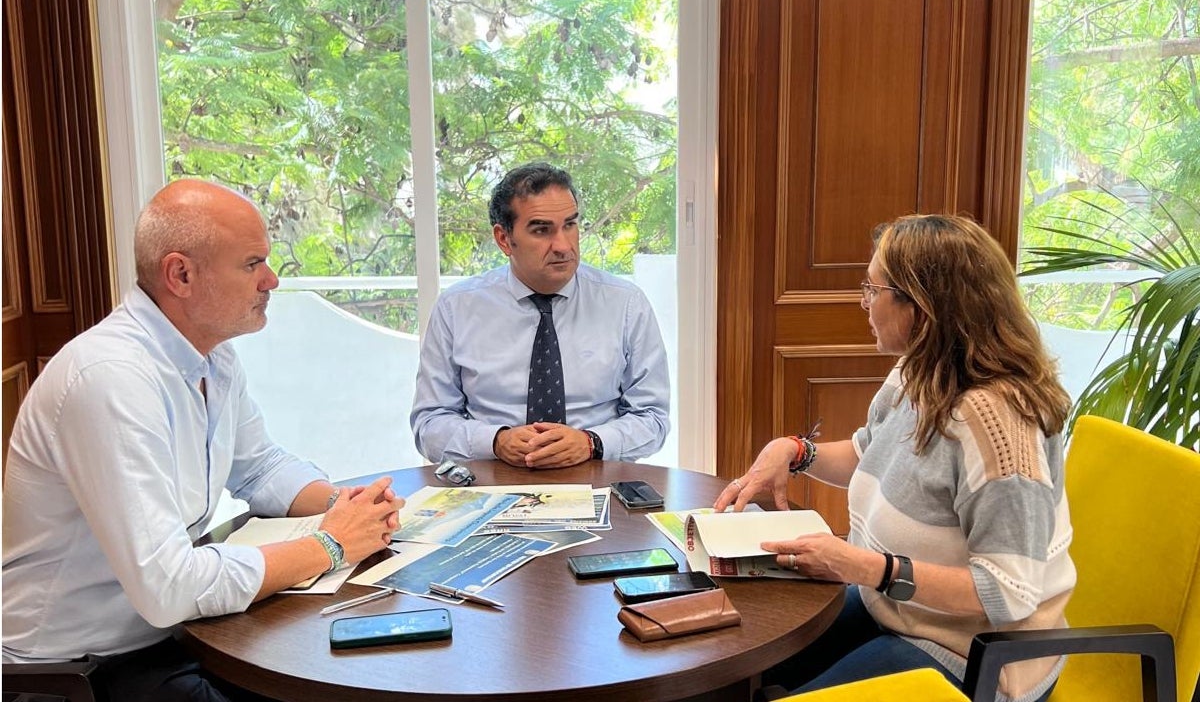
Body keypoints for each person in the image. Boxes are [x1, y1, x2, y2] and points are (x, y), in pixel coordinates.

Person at [2, 180, 403, 702]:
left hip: (175, 635)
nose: (272, 280)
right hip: (79, 670)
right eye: (252, 264)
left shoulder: (212, 355)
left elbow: (258, 467)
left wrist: (350, 507)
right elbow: (169, 586)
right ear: (181, 274)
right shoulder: (110, 379)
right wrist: (329, 545)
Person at [714, 214, 1075, 702]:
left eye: (872, 288)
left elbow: (1009, 592)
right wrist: (795, 451)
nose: (863, 302)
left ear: (921, 306)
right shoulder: (918, 372)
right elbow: (869, 453)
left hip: (977, 658)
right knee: (736, 660)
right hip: (896, 610)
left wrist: (866, 567)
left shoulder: (999, 424)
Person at [411, 162, 670, 469]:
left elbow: (653, 419)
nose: (563, 245)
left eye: (570, 225)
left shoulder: (626, 304)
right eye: (542, 230)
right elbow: (429, 423)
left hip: (597, 479)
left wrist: (591, 442)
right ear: (504, 239)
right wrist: (495, 441)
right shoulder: (457, 307)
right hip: (491, 483)